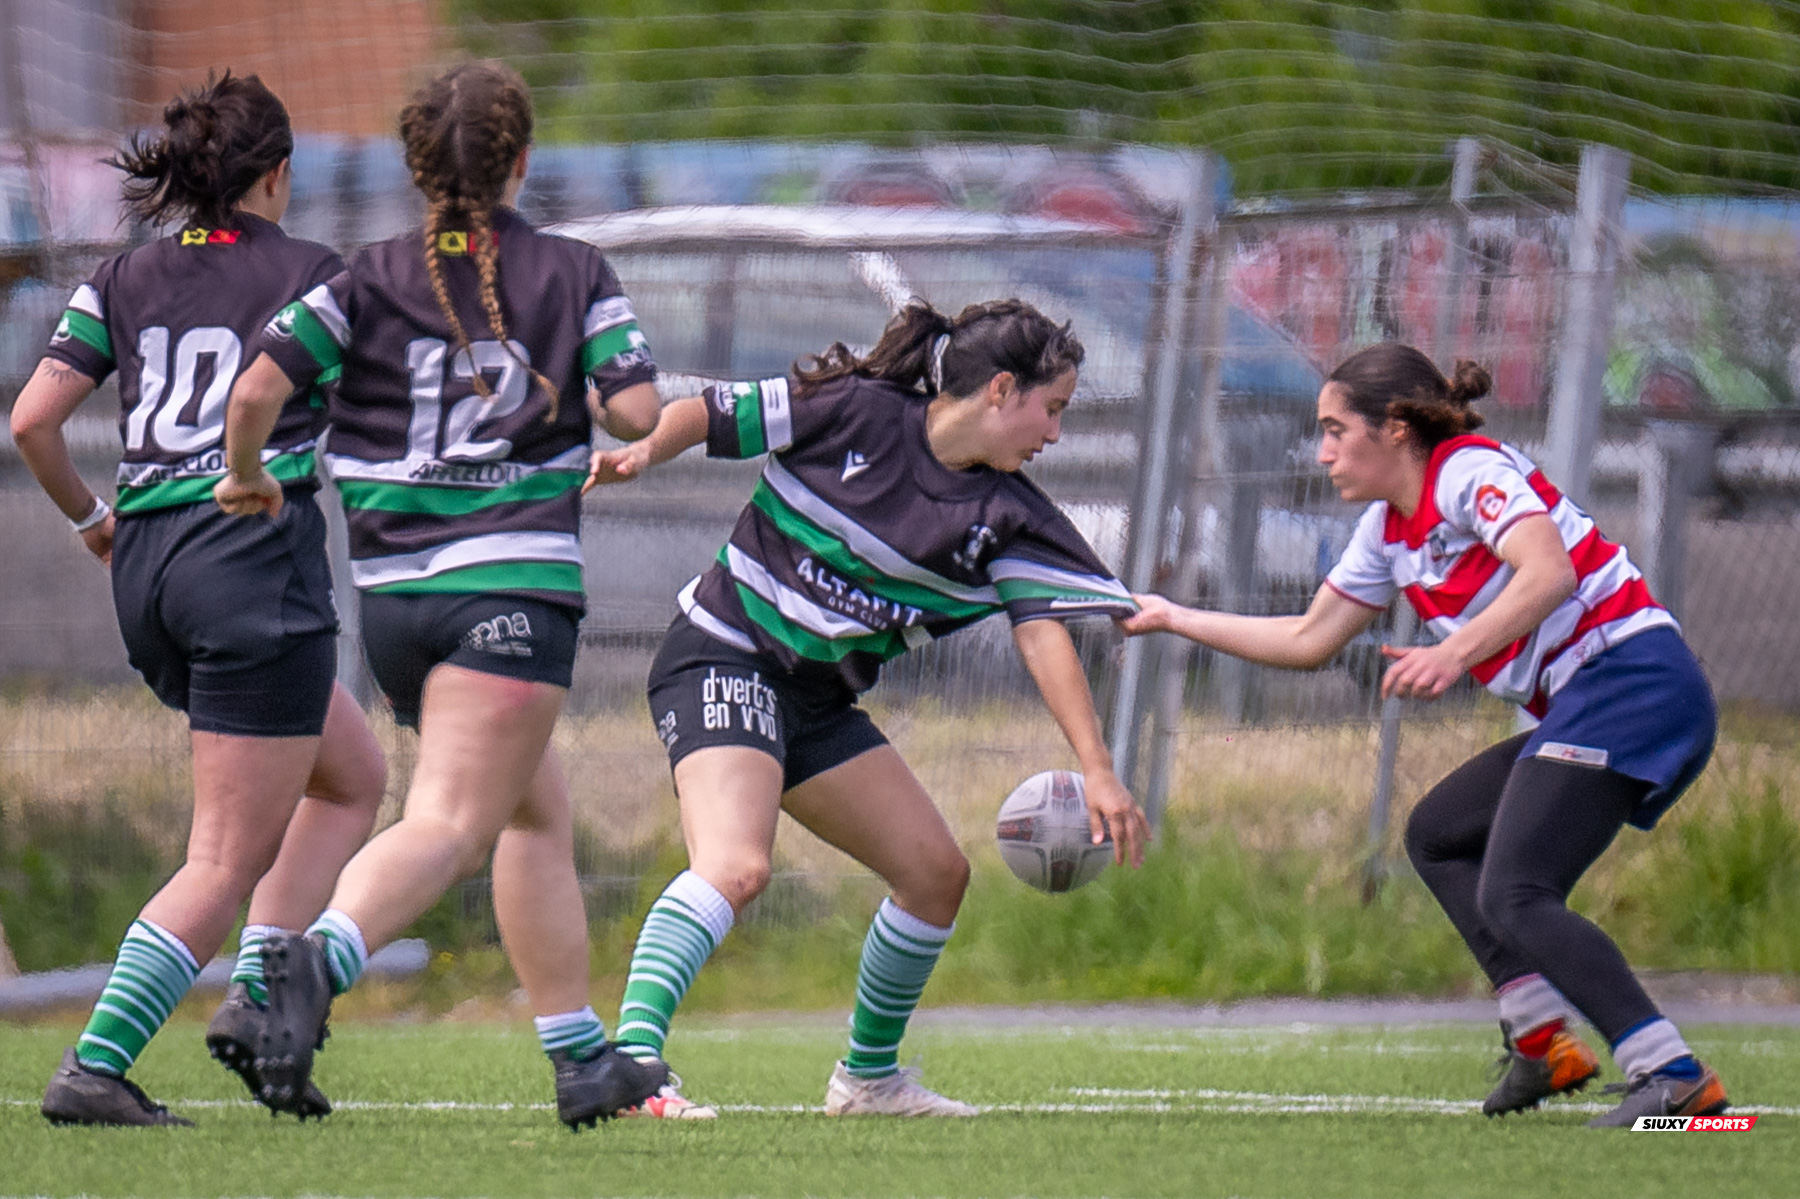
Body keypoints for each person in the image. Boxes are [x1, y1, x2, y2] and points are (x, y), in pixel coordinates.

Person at [213, 60, 668, 1130]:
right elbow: (640, 411)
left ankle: (578, 1055)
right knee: (456, 818)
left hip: (398, 604)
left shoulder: (358, 275)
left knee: (533, 808)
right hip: (510, 589)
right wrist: (621, 397)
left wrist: (247, 472)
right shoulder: (572, 269)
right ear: (522, 159)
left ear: (418, 165)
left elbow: (256, 390)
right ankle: (303, 968)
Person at [1122, 343, 1727, 1128]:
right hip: (1595, 699)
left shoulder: (1469, 472)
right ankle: (1544, 1038)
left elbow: (1550, 572)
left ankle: (1673, 1074)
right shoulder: (1388, 531)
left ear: (1398, 427)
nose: (1324, 450)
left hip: (1637, 683)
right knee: (1440, 835)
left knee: (1516, 890)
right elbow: (1310, 639)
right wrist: (1173, 616)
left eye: (1337, 429)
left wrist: (1453, 649)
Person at [584, 298, 1152, 1118]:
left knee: (934, 875)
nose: (1055, 435)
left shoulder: (1008, 518)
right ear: (1000, 389)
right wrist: (645, 451)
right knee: (737, 865)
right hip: (721, 652)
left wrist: (1099, 768)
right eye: (1051, 408)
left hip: (813, 700)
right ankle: (632, 1065)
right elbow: (706, 415)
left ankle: (867, 1079)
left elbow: (1044, 636)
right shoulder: (853, 409)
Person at [10, 73, 386, 1127]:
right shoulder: (316, 274)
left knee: (350, 774)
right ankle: (98, 1061)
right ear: (275, 174)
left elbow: (35, 420)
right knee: (224, 853)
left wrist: (93, 520)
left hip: (149, 574)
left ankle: (262, 999)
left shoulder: (123, 273)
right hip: (249, 566)